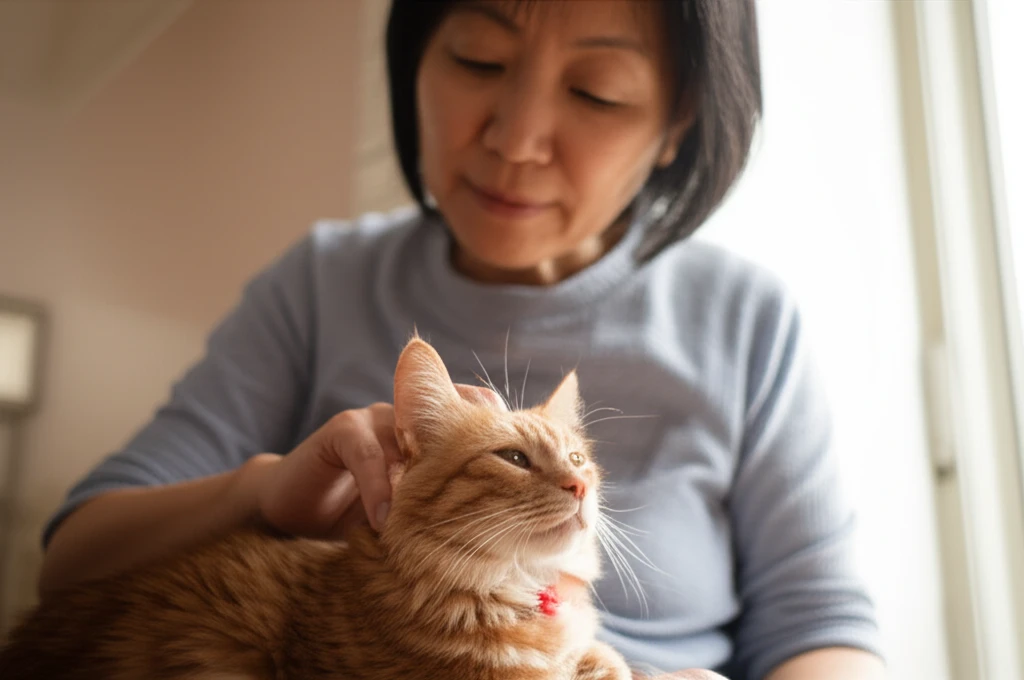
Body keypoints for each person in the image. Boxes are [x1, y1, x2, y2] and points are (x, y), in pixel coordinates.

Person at [37, 2, 886, 679]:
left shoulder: (746, 317)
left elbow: (823, 627)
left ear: (679, 122)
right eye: (479, 60)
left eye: (596, 92)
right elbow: (74, 562)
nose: (515, 140)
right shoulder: (322, 282)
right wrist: (264, 491)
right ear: (415, 56)